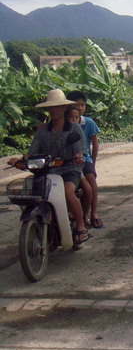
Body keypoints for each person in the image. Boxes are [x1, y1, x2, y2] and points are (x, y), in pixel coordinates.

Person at [7, 89, 89, 246]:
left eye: (57, 107)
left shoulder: (74, 129)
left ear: (64, 108)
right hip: (47, 171)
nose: (54, 110)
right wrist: (20, 160)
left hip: (69, 170)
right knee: (32, 194)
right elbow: (32, 153)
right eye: (51, 107)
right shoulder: (42, 131)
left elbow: (80, 151)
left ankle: (80, 225)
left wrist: (78, 156)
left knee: (68, 192)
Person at [66, 91, 103, 229]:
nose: (80, 108)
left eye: (83, 105)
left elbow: (95, 143)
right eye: (77, 105)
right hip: (66, 159)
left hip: (84, 158)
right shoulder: (62, 123)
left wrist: (92, 162)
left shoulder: (88, 122)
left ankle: (92, 213)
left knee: (91, 179)